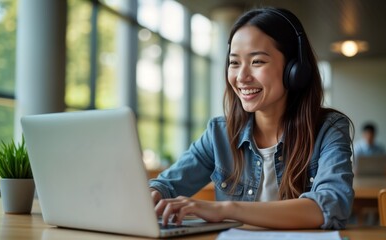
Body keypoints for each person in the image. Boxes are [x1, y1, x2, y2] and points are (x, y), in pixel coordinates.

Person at [149, 7, 354, 230]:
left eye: (257, 62)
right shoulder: (219, 133)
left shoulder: (328, 130)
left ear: (295, 69)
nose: (241, 77)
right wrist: (154, 193)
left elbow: (332, 205)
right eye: (234, 63)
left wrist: (225, 210)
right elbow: (166, 185)